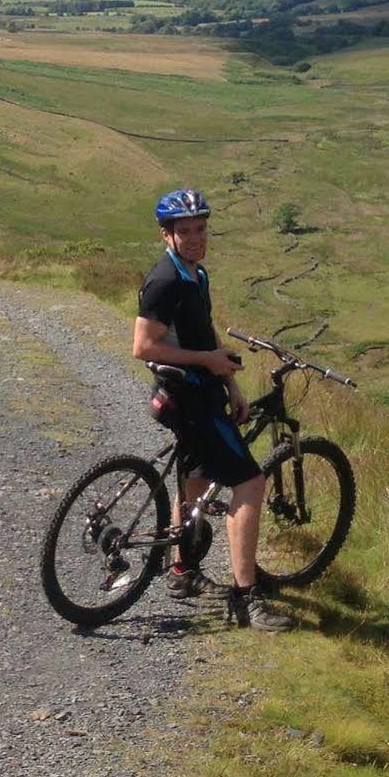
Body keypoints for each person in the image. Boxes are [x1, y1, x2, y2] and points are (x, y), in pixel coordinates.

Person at [133, 188, 293, 632]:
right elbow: (143, 346)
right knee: (251, 483)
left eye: (201, 229)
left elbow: (203, 340)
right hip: (189, 400)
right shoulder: (165, 280)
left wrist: (230, 381)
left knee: (198, 478)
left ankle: (183, 570)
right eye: (185, 231)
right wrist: (208, 365)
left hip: (203, 392)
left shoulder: (194, 274)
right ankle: (246, 598)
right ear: (167, 234)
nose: (196, 238)